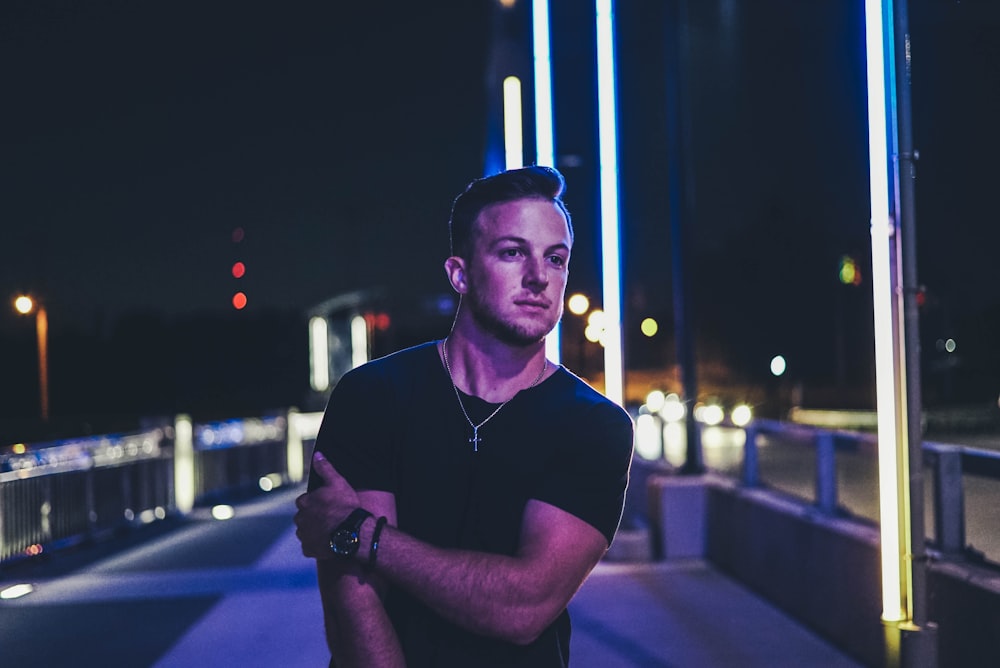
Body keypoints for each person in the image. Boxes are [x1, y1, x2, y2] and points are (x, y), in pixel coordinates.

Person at [294, 165, 634, 667]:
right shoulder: (372, 395)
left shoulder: (595, 425)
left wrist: (363, 535)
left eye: (556, 259)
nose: (539, 277)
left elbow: (524, 606)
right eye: (513, 252)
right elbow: (356, 603)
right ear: (460, 273)